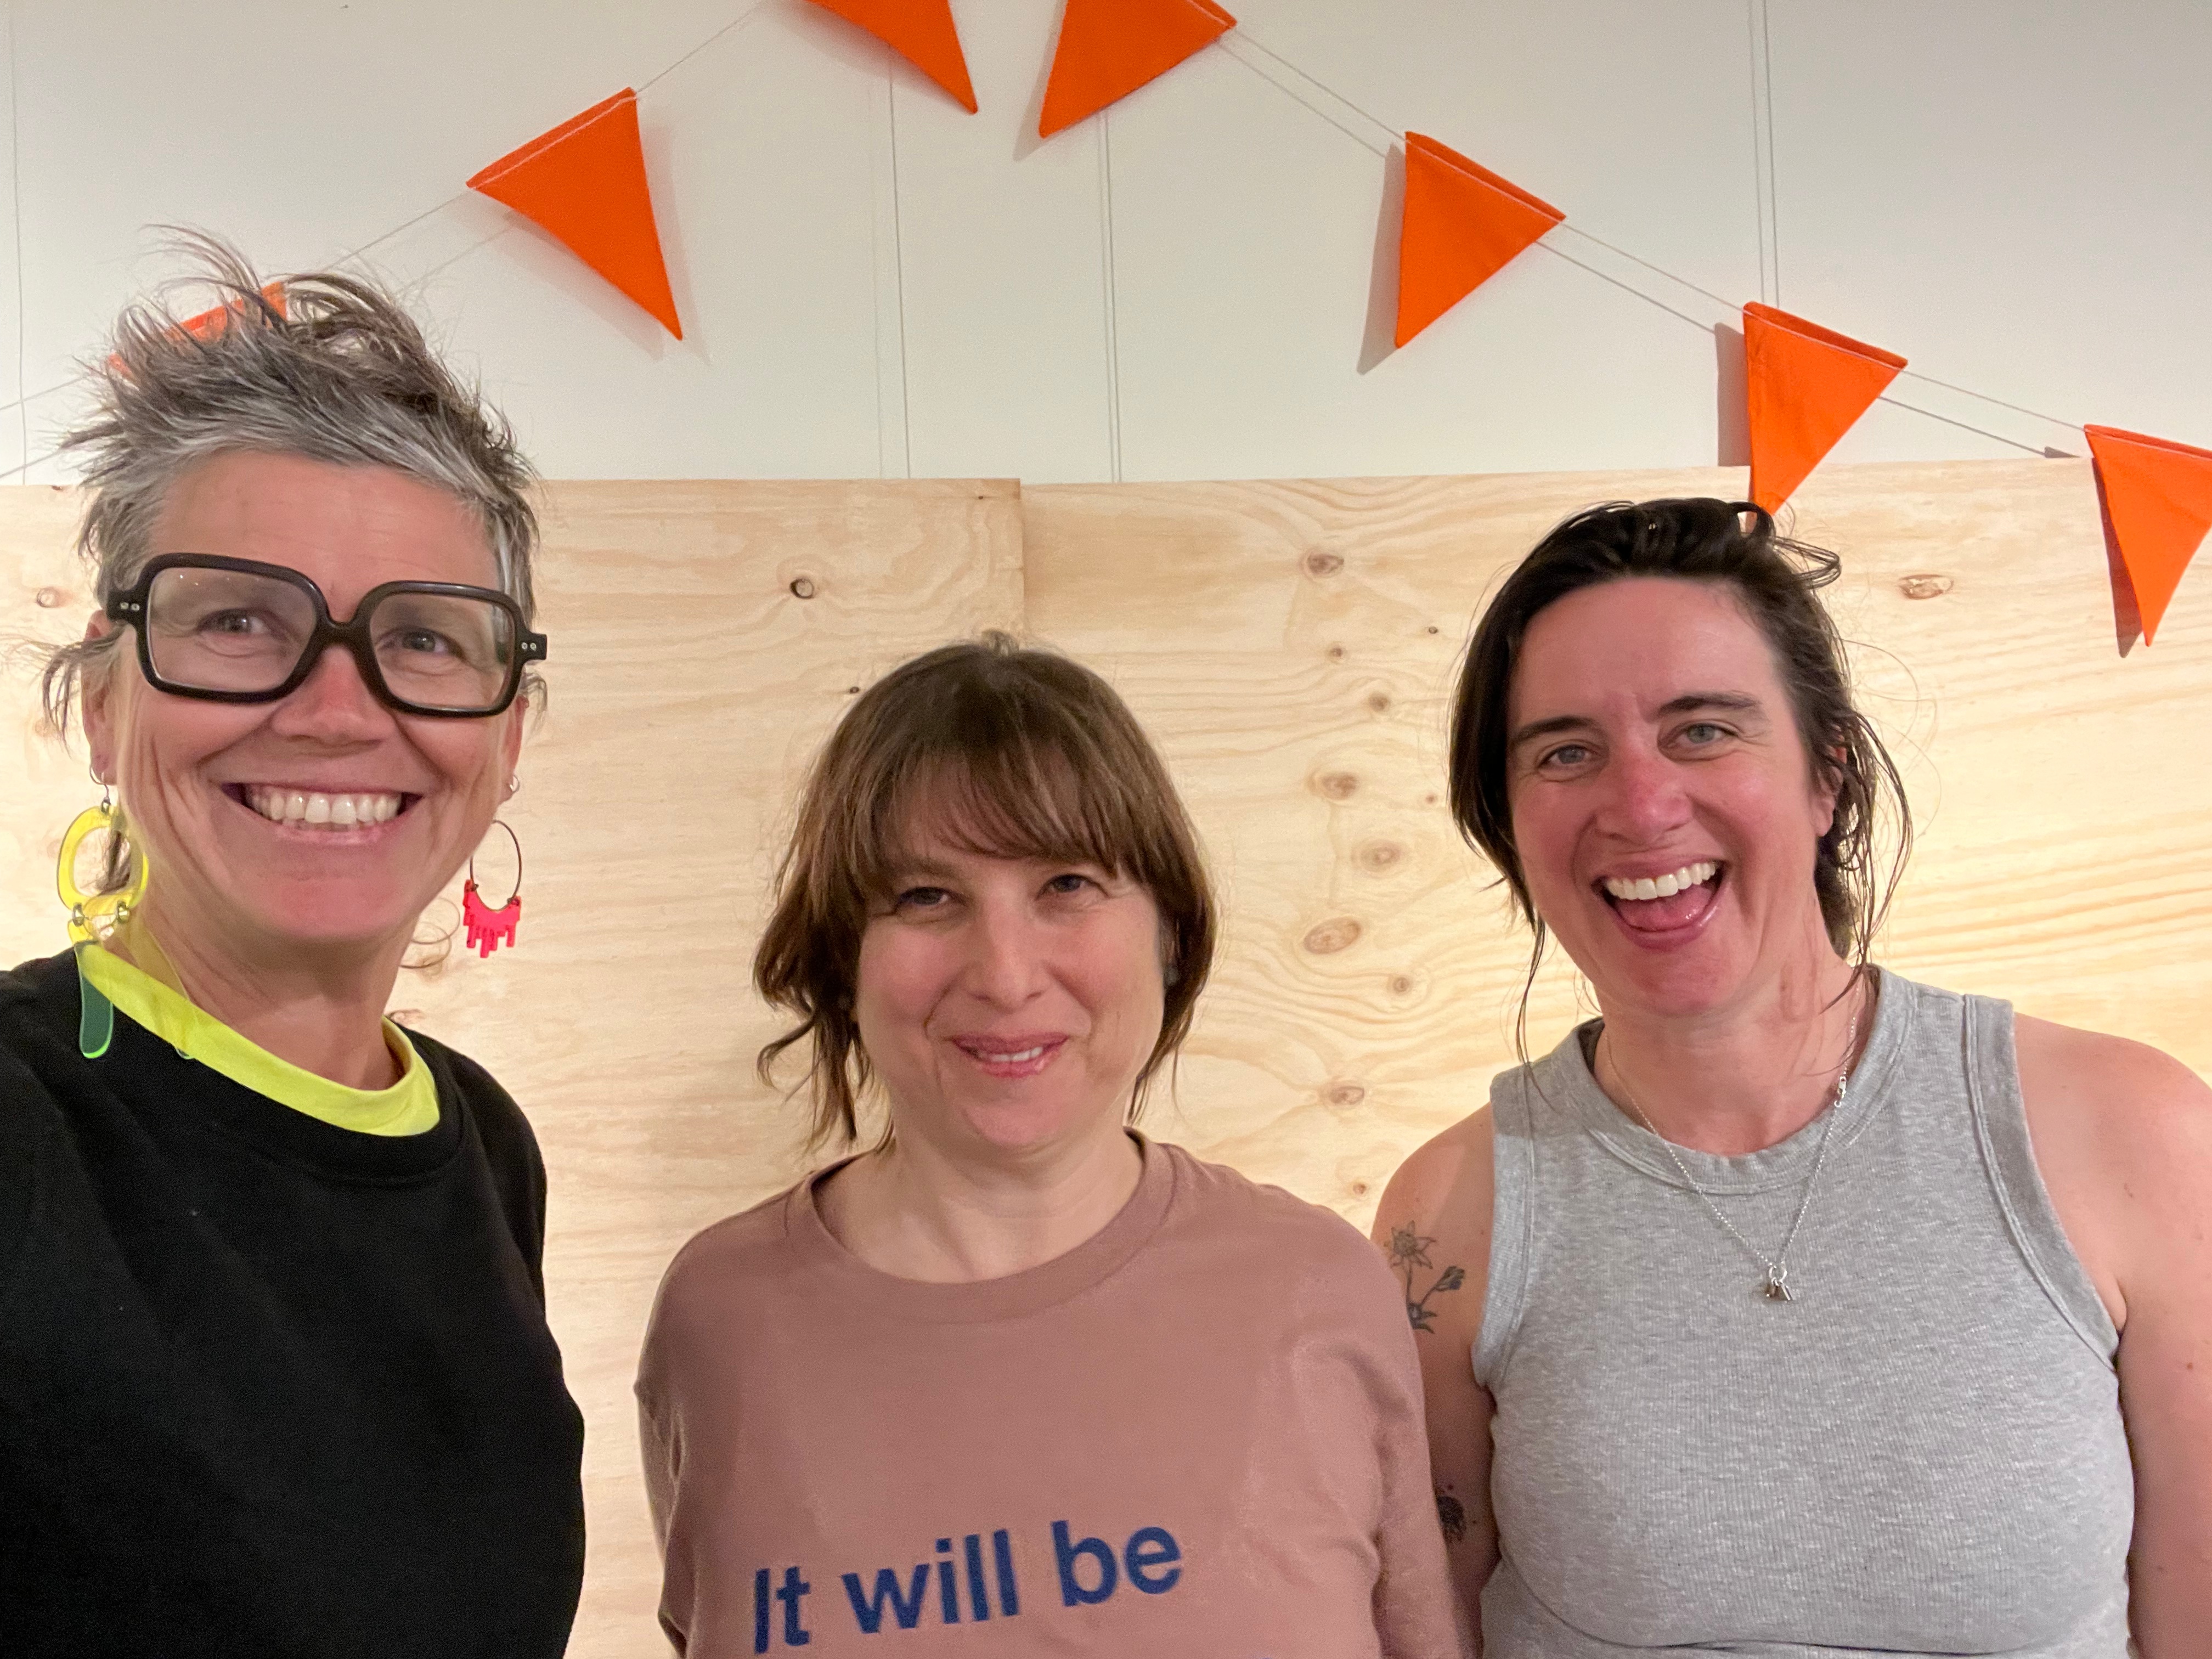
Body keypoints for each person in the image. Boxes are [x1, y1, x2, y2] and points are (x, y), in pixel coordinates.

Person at [1373, 498, 2212, 1656]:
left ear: (1829, 775)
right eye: (1566, 752)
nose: (1641, 806)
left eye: (1702, 731)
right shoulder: (1451, 1216)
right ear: (1508, 823)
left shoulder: (2135, 1137)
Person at [636, 634, 1471, 1658]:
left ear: (1170, 934)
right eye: (925, 896)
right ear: (840, 958)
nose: (1004, 972)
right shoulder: (719, 1321)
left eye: (1067, 884)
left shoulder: (1319, 1289)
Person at [0, 240, 585, 1657]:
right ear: (103, 704)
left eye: (426, 640)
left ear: (508, 736)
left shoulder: (482, 1143)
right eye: (238, 620)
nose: (336, 711)